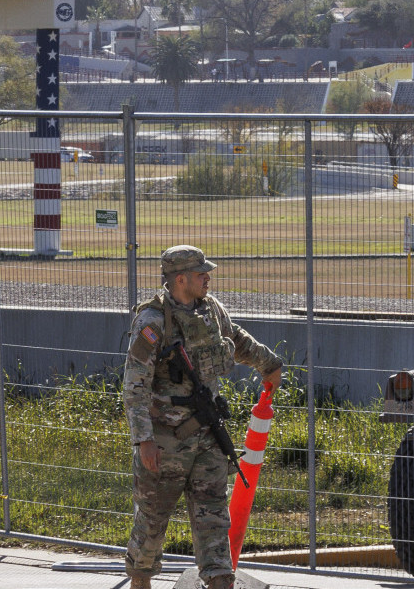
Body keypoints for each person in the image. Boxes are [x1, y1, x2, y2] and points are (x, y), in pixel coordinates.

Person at [123, 245, 284, 589]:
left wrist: (269, 364)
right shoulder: (152, 322)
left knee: (213, 517)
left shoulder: (211, 310)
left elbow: (236, 340)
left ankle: (219, 579)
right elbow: (134, 386)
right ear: (180, 279)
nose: (207, 278)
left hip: (208, 436)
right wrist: (144, 440)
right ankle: (141, 580)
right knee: (152, 522)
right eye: (201, 274)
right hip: (166, 442)